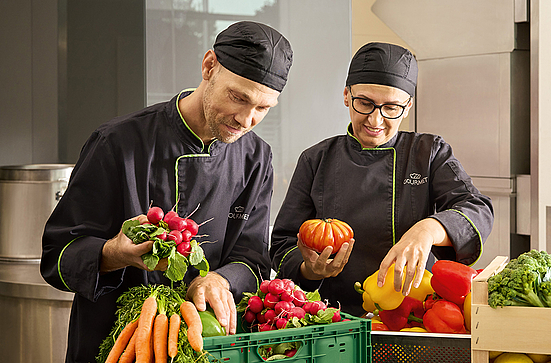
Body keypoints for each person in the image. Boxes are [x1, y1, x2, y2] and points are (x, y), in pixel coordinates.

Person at [40, 21, 293, 362]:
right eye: (238, 97)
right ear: (209, 67)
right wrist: (114, 252)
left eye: (263, 109)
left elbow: (252, 258)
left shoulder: (256, 158)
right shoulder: (117, 142)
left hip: (204, 346)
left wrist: (220, 280)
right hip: (116, 343)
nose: (246, 120)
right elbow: (58, 255)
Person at [270, 42, 493, 317]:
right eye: (365, 103)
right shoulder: (315, 159)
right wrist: (309, 269)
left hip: (415, 315)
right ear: (346, 95)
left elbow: (478, 209)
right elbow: (282, 243)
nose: (375, 119)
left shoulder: (428, 153)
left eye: (391, 107)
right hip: (335, 317)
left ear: (408, 106)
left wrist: (427, 230)